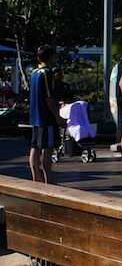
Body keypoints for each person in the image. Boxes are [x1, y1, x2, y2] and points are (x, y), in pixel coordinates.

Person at [28, 45, 67, 184]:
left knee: (35, 147)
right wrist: (57, 117)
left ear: (38, 58)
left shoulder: (34, 73)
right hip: (46, 117)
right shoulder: (47, 73)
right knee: (47, 148)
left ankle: (35, 177)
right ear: (52, 58)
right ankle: (48, 180)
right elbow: (49, 97)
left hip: (35, 117)